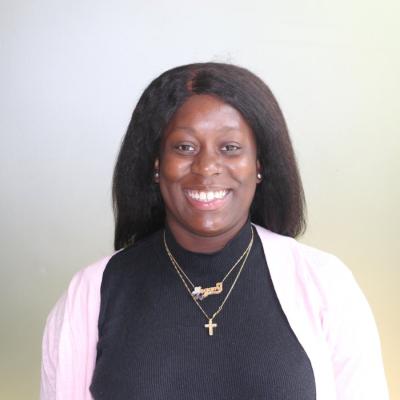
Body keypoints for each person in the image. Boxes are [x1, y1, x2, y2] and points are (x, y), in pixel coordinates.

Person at [40, 62, 389, 400]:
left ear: (259, 165)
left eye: (230, 148)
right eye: (185, 147)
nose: (206, 167)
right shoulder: (91, 292)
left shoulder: (324, 284)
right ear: (157, 164)